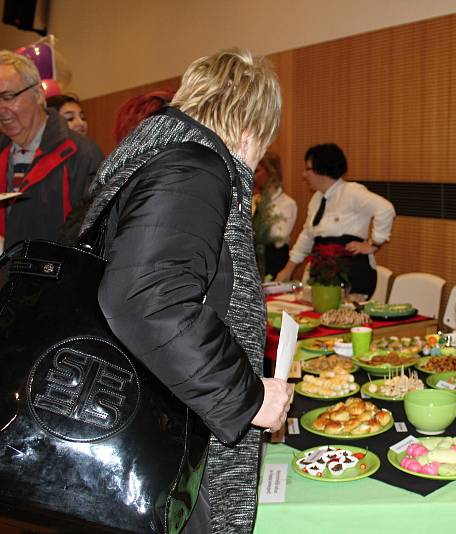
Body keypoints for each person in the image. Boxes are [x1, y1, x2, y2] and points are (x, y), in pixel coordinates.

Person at [79, 48, 293, 533]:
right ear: (250, 127)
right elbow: (146, 296)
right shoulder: (193, 168)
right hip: (168, 438)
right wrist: (247, 396)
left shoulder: (155, 157)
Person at [0, 50, 103, 249]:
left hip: (59, 276)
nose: (1, 108)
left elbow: (94, 234)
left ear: (38, 94)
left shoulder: (82, 155)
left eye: (8, 97)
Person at [275, 143, 395, 297]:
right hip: (324, 275)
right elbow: (307, 236)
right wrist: (288, 269)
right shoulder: (317, 199)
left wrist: (374, 244)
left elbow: (386, 209)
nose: (304, 174)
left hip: (353, 274)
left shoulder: (351, 192)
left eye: (308, 169)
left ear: (323, 169)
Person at [252, 151, 297, 279]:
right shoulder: (254, 200)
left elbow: (279, 239)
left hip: (274, 266)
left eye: (257, 171)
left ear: (271, 172)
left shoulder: (287, 203)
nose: (253, 176)